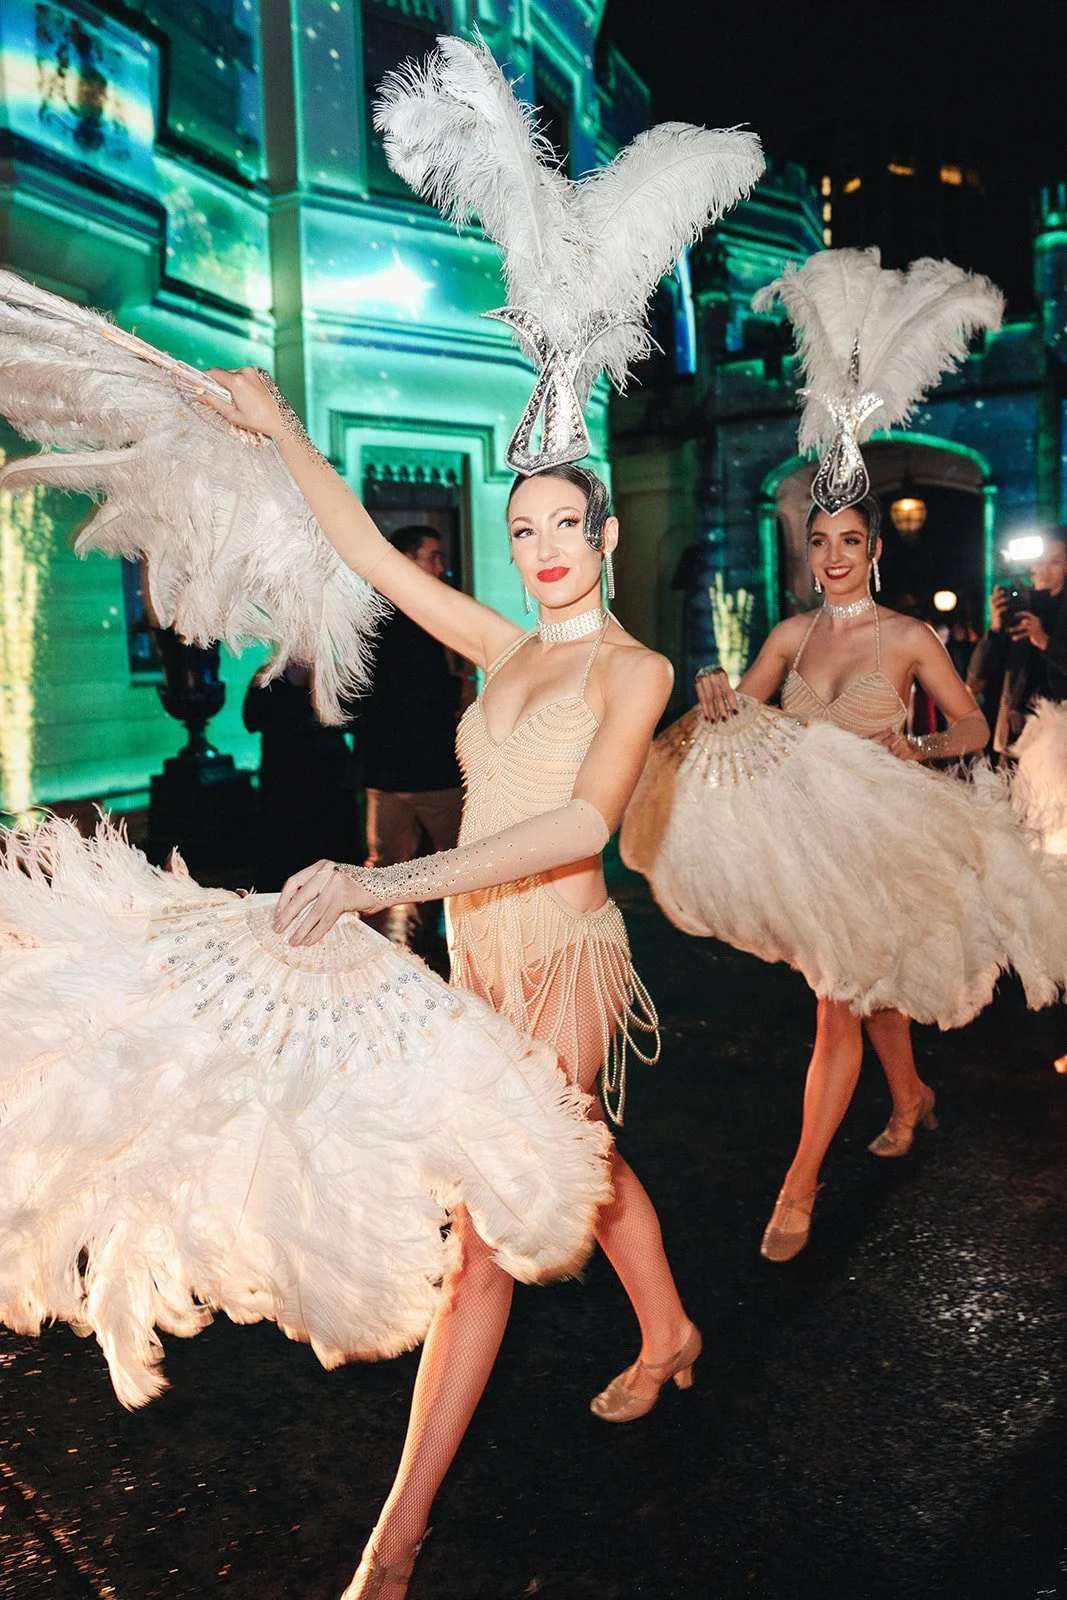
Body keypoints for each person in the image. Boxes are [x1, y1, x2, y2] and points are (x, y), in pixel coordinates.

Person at [205, 365, 697, 1596]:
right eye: (520, 527)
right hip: (479, 959)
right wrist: (282, 432)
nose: (538, 548)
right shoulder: (503, 647)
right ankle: (672, 1329)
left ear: (607, 533)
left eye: (561, 526)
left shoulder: (632, 673)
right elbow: (371, 554)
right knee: (580, 1158)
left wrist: (387, 885)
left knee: (482, 1239)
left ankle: (395, 1537)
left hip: (565, 959)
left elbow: (582, 825)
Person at [693, 495, 988, 1260]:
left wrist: (920, 748)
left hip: (881, 841)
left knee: (836, 1005)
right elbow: (732, 721)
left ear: (873, 549)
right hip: (809, 846)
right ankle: (909, 1097)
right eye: (818, 540)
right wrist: (715, 694)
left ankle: (799, 1185)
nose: (832, 555)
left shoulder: (909, 636)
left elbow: (972, 724)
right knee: (862, 987)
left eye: (848, 540)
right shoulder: (791, 635)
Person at [358, 525, 467, 953]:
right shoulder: (415, 615)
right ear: (407, 559)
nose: (442, 566)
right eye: (433, 556)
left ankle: (375, 953)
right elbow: (421, 690)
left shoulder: (370, 611)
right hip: (425, 765)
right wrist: (456, 688)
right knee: (461, 859)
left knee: (384, 864)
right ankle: (469, 949)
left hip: (383, 767)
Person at [242, 663, 358, 892]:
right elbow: (251, 720)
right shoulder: (269, 678)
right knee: (284, 847)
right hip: (285, 781)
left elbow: (354, 718)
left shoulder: (332, 677)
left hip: (328, 782)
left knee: (329, 842)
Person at [968, 531, 1067, 756]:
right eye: (1039, 560)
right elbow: (978, 676)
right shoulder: (1018, 605)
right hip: (1016, 735)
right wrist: (994, 627)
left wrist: (1045, 642)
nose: (1043, 568)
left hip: (1061, 733)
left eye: (1054, 561)